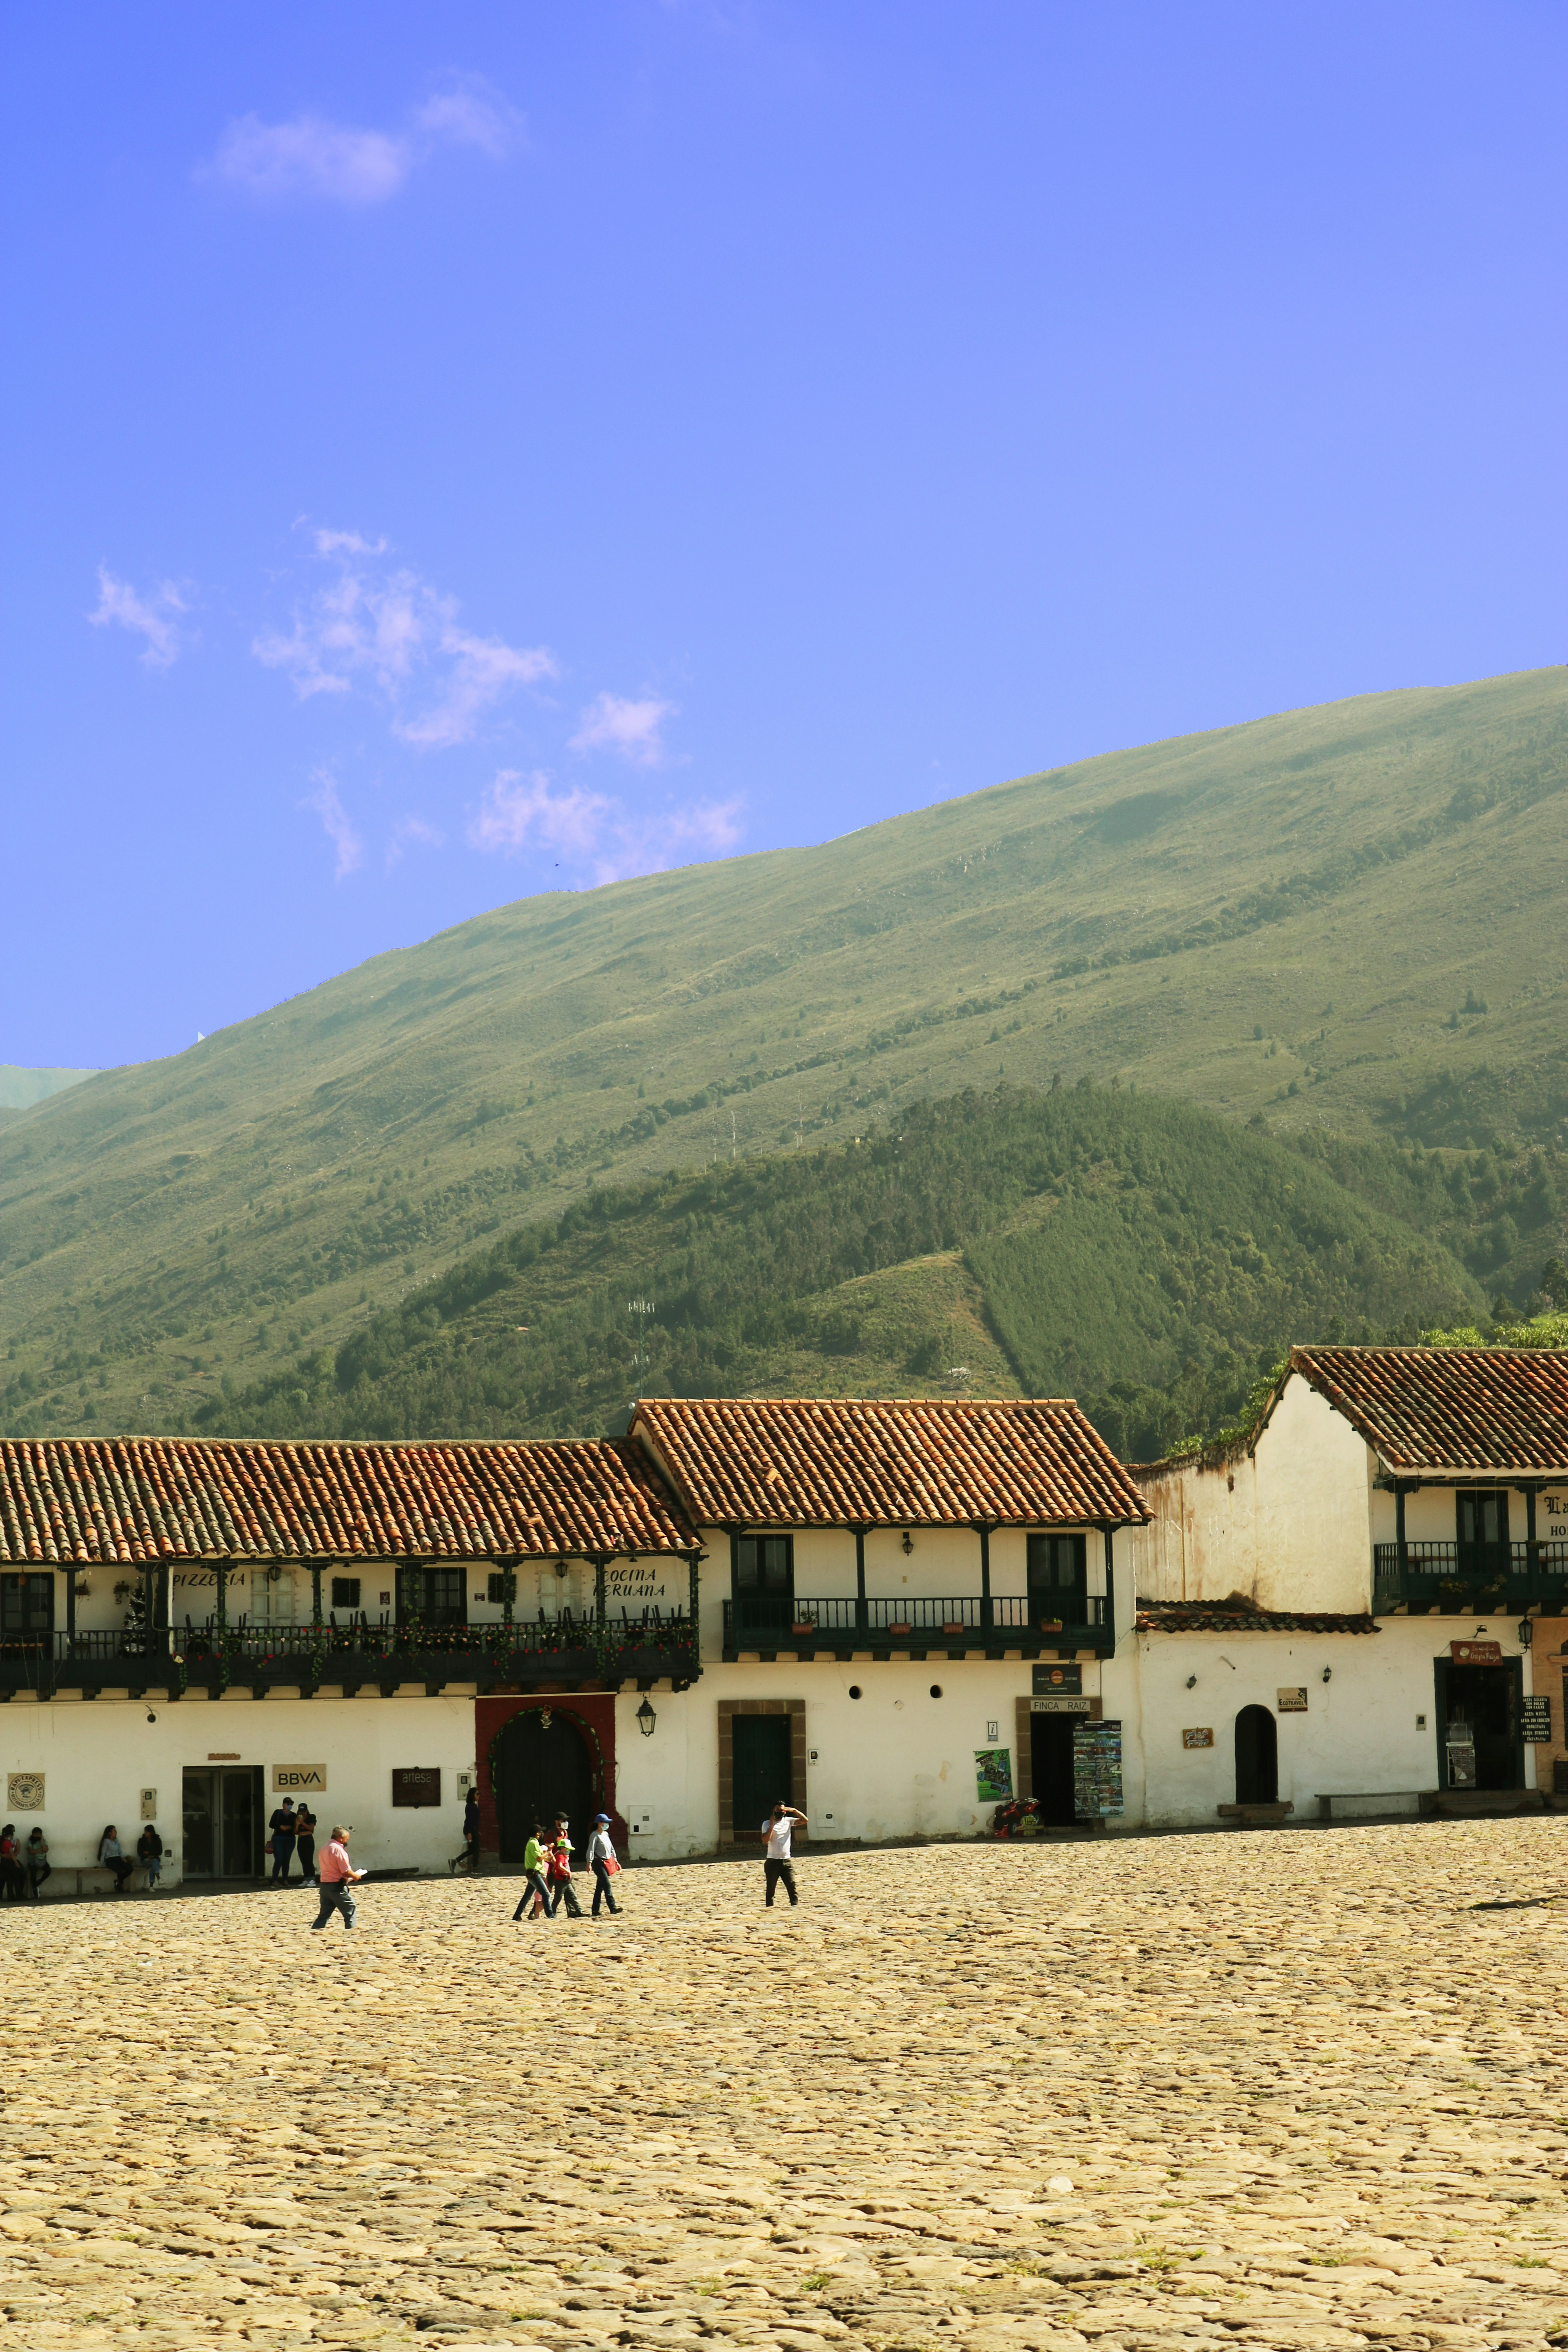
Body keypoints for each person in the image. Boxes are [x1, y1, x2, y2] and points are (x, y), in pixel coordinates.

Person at [310, 1825, 366, 1932]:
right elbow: (345, 1871)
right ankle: (351, 1931)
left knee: (324, 1914)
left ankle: (315, 1930)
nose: (347, 1842)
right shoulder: (338, 1850)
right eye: (347, 1839)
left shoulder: (324, 1848)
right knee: (350, 1908)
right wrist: (356, 1876)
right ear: (341, 1838)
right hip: (337, 1885)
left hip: (325, 1885)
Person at [762, 1801, 807, 1907]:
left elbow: (805, 1821)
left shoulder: (789, 1821)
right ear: (774, 1811)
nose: (780, 1812)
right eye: (778, 1810)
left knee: (792, 1886)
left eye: (782, 1810)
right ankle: (769, 1908)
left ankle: (795, 1906)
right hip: (773, 1861)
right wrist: (772, 1825)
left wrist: (795, 1811)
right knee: (771, 1888)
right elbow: (765, 1840)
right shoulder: (767, 1824)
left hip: (787, 1861)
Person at [512, 1824, 555, 1921]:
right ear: (538, 1834)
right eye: (540, 1832)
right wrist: (548, 1851)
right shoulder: (534, 1843)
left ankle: (517, 1916)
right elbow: (539, 1858)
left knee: (527, 1897)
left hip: (531, 1873)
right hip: (535, 1873)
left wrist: (549, 1855)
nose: (541, 1834)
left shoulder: (531, 1842)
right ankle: (551, 1916)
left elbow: (541, 1858)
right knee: (546, 1894)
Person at [587, 1813, 621, 1917]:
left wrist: (616, 1860)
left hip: (607, 1862)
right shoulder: (595, 1835)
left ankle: (595, 1910)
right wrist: (589, 1862)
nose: (607, 1825)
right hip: (598, 1863)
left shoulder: (606, 1834)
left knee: (600, 1888)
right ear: (600, 1824)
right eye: (606, 1823)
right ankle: (613, 1908)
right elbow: (591, 1849)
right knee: (607, 1885)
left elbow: (611, 1848)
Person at [548, 1818, 583, 1919]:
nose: (568, 1851)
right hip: (561, 1880)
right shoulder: (560, 1856)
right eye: (567, 1849)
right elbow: (559, 1866)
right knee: (558, 1898)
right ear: (562, 1848)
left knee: (573, 1896)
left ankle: (579, 1912)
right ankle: (552, 1912)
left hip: (567, 1880)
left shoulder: (564, 1856)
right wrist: (568, 1872)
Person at [450, 1785, 480, 1877]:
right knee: (476, 1849)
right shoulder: (471, 1806)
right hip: (472, 1830)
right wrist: (470, 1832)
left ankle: (455, 1861)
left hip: (473, 1829)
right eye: (477, 1794)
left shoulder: (471, 1806)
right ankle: (475, 1868)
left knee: (472, 1850)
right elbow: (470, 1820)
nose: (479, 1796)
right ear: (473, 1795)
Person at [268, 1797, 298, 1884]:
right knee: (279, 1859)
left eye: (291, 1804)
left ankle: (285, 1880)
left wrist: (291, 1827)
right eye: (288, 1804)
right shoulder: (277, 1813)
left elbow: (295, 1826)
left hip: (290, 1839)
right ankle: (275, 1880)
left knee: (286, 1860)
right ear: (283, 1805)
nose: (289, 1806)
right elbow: (272, 1824)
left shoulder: (294, 1815)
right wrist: (281, 1827)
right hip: (278, 1839)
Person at [98, 1826, 135, 1894]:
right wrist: (100, 1865)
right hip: (110, 1860)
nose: (116, 1832)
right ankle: (120, 1885)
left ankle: (119, 1881)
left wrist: (122, 1858)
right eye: (114, 1831)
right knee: (120, 1871)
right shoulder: (106, 1841)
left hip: (118, 1858)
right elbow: (103, 1853)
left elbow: (119, 1851)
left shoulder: (116, 1841)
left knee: (130, 1868)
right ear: (110, 1833)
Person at [136, 1821, 164, 1892]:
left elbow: (160, 1852)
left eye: (147, 1832)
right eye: (145, 1832)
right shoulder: (141, 1841)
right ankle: (158, 1879)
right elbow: (140, 1853)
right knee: (153, 1863)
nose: (145, 1833)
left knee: (153, 1863)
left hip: (155, 1859)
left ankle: (151, 1887)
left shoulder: (157, 1840)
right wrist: (148, 1856)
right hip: (145, 1860)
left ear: (151, 1833)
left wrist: (149, 1853)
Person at [294, 1803, 318, 1885]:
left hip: (308, 1839)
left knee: (309, 1859)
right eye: (301, 1812)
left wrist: (302, 1823)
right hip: (301, 1840)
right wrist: (297, 1825)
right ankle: (306, 1878)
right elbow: (296, 1832)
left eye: (304, 1812)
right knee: (303, 1860)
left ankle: (312, 1878)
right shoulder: (297, 1818)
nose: (302, 1813)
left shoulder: (311, 1817)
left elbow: (311, 1829)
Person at [24, 1828, 49, 1901]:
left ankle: (39, 1882)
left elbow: (46, 1850)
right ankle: (35, 1889)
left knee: (48, 1871)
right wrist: (41, 1850)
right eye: (36, 1835)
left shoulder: (44, 1841)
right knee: (33, 1874)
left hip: (42, 1860)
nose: (37, 1836)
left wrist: (42, 1842)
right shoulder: (30, 1842)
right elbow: (31, 1852)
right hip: (33, 1862)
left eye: (39, 1835)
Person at [0, 1826, 24, 1903]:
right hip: (10, 1862)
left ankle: (11, 1897)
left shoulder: (1, 1841)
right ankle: (19, 1896)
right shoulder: (8, 1843)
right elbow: (12, 1855)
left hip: (3, 1861)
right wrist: (17, 1864)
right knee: (16, 1879)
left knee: (9, 1879)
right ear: (10, 1835)